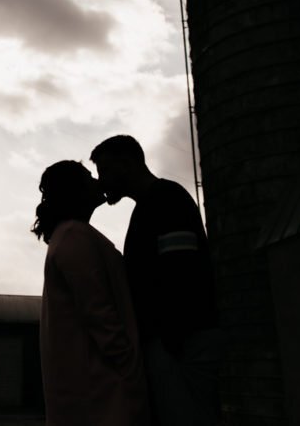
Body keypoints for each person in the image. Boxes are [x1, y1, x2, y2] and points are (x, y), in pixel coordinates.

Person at [91, 135, 222, 426]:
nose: (101, 182)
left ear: (126, 165)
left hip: (182, 345)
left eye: (104, 171)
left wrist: (171, 342)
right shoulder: (153, 203)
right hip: (176, 343)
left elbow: (182, 272)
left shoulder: (166, 199)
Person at [33, 160, 151, 426]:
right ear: (74, 189)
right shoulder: (75, 236)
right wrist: (131, 369)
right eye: (89, 178)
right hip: (101, 391)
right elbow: (99, 314)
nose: (98, 182)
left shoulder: (70, 235)